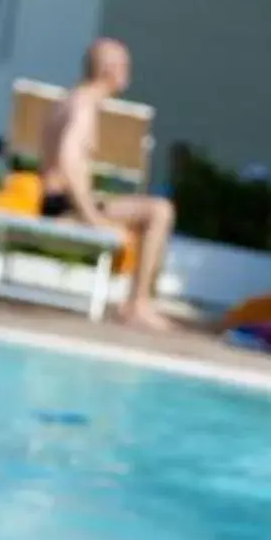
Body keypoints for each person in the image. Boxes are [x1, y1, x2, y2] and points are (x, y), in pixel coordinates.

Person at [37, 38, 174, 333]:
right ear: (108, 70)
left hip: (57, 202)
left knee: (148, 209)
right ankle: (137, 304)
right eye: (125, 66)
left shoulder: (71, 99)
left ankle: (139, 300)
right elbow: (68, 160)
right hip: (65, 208)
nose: (128, 72)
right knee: (159, 211)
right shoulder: (84, 105)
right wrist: (92, 218)